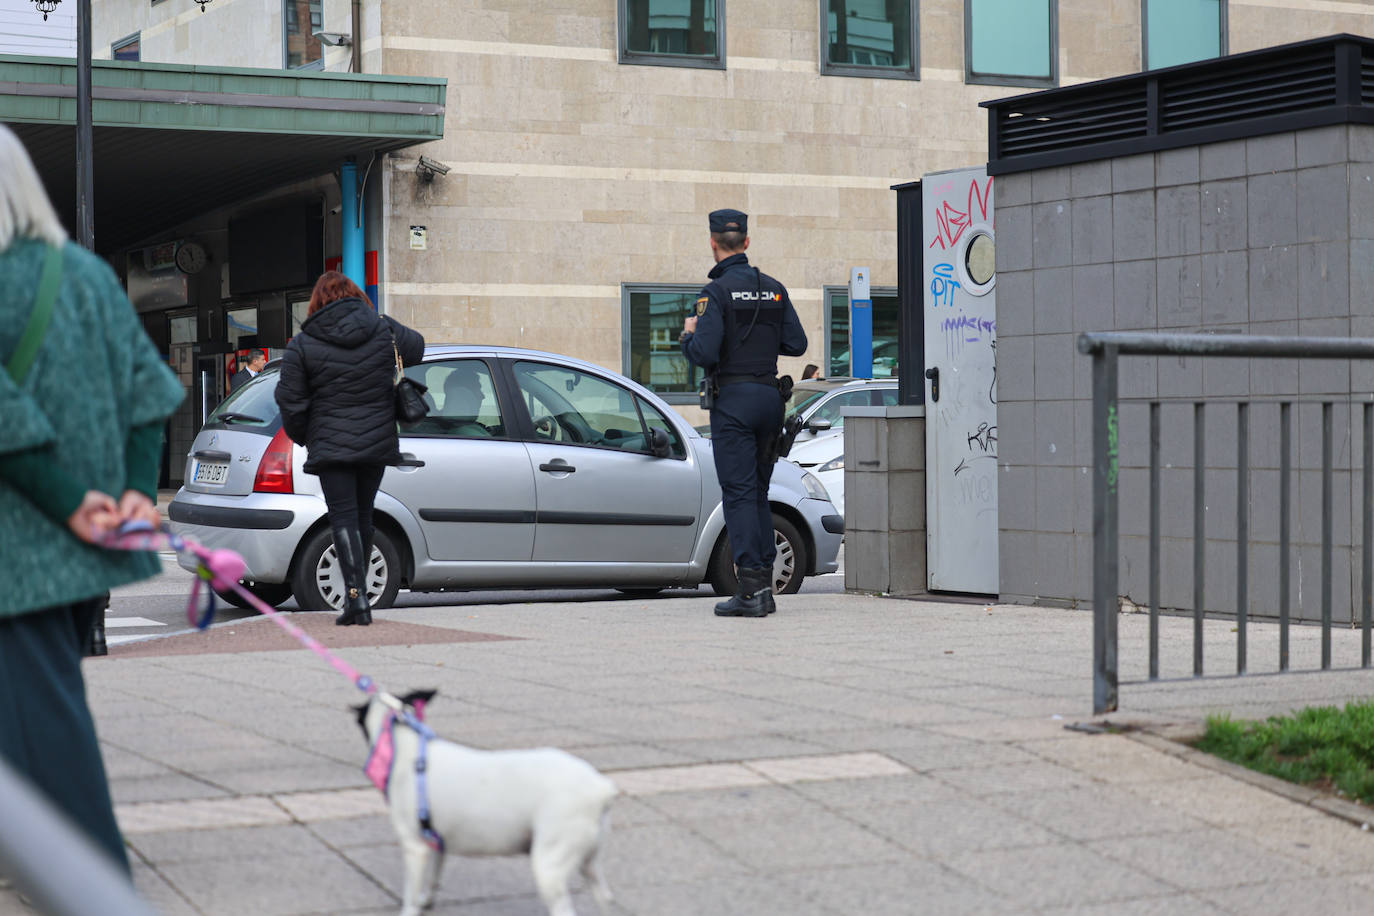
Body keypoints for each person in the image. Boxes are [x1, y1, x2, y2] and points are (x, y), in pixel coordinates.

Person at [0, 123, 184, 872]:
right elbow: (150, 392)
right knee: (48, 708)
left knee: (45, 727)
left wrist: (62, 494)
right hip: (87, 550)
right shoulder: (84, 274)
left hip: (19, 555)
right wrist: (139, 490)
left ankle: (95, 881)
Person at [274, 271, 423, 625]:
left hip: (331, 447)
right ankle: (362, 594)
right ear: (356, 296)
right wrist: (386, 324)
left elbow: (290, 401)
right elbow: (417, 347)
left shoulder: (304, 343)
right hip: (376, 441)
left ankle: (356, 597)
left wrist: (307, 437)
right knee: (364, 514)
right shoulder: (383, 329)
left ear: (317, 302)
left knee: (342, 515)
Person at [680, 208, 806, 618]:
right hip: (770, 400)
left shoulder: (714, 294)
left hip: (733, 402)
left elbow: (703, 353)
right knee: (758, 492)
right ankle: (764, 586)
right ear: (747, 243)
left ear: (713, 242)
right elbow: (797, 344)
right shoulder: (774, 289)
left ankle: (751, 590)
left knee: (738, 492)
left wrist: (688, 334)